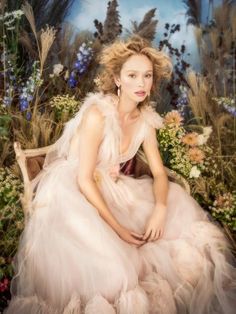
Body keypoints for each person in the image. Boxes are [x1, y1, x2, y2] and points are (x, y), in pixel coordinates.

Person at [5, 36, 236, 314]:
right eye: (132, 75)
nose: (141, 84)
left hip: (113, 187)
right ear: (117, 79)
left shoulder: (146, 120)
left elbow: (160, 173)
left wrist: (160, 209)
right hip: (74, 191)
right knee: (114, 272)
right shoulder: (98, 114)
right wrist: (118, 229)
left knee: (175, 205)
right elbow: (84, 179)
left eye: (147, 76)